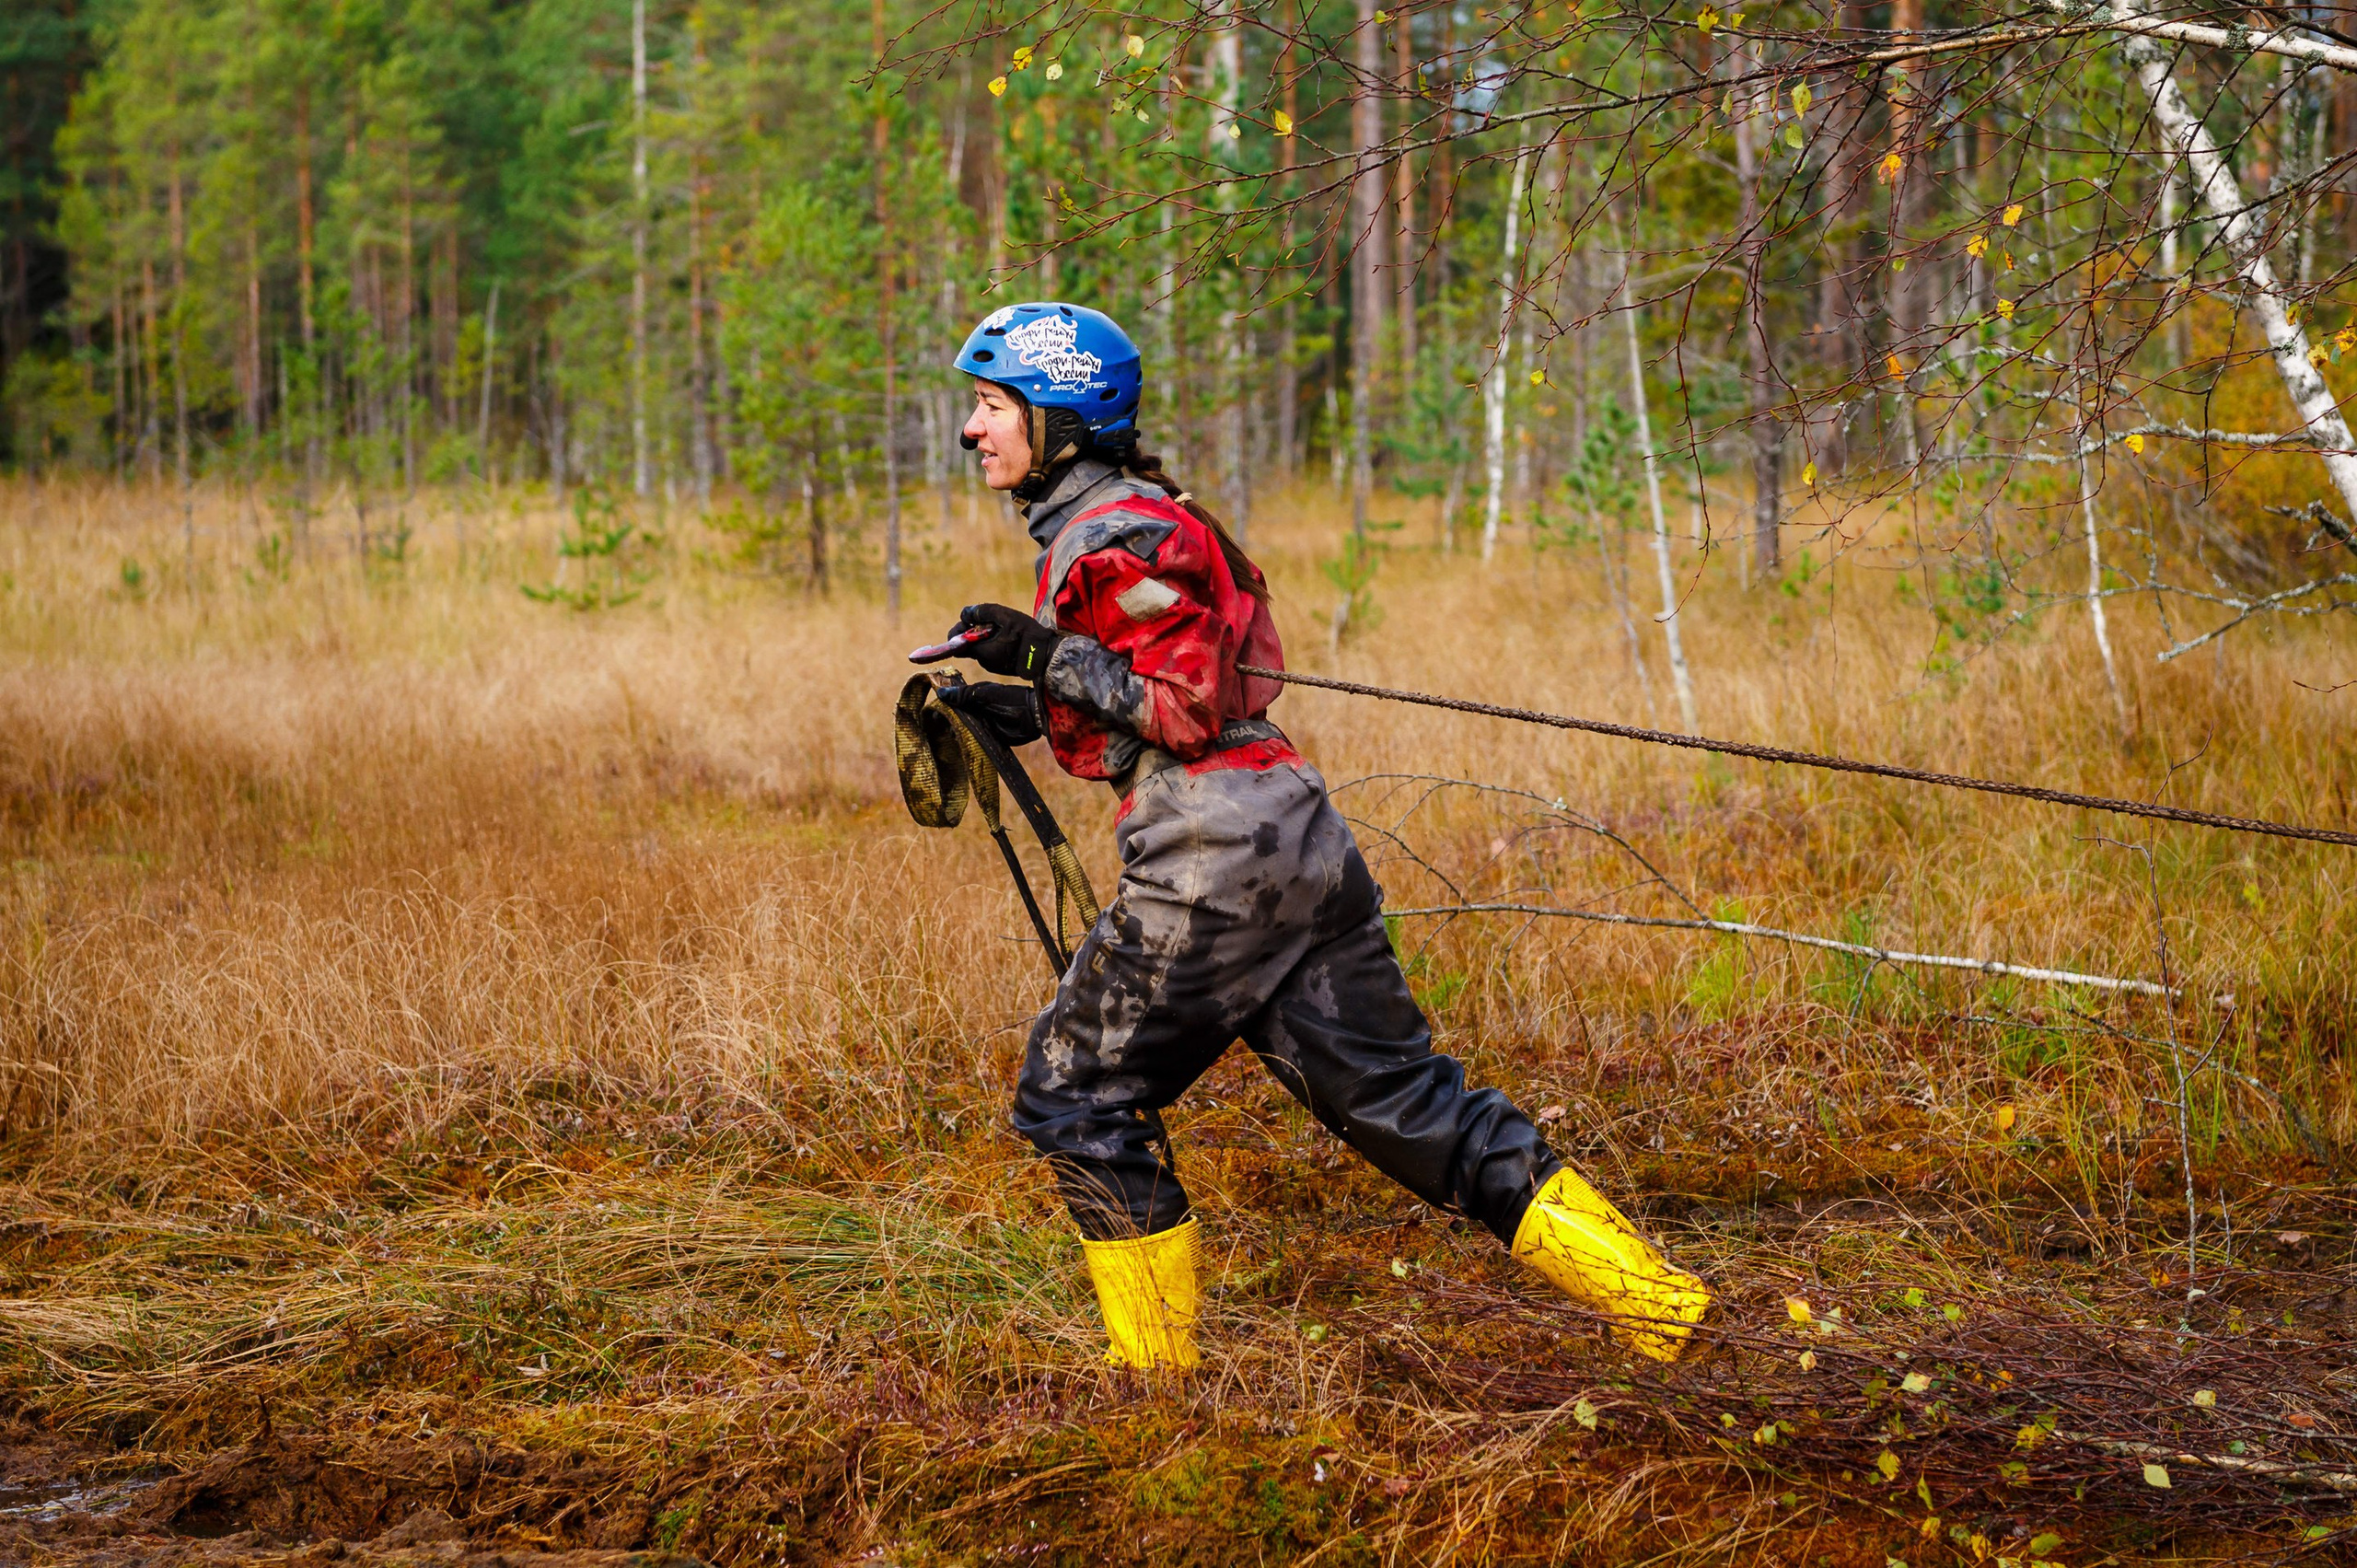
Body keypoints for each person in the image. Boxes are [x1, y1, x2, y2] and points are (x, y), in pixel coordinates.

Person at [931, 300, 1711, 1368]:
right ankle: (1665, 1309)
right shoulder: (1135, 519)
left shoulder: (1114, 532)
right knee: (1407, 1101)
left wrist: (1038, 658)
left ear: (1056, 415)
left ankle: (1155, 1385)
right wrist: (1035, 706)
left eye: (989, 406)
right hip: (1293, 837)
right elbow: (1163, 692)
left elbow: (1184, 706)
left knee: (1072, 1089)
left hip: (1219, 856)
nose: (972, 430)